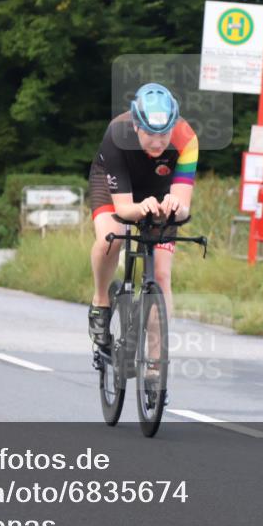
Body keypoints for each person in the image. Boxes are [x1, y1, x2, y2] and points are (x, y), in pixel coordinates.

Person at [87, 83, 198, 350]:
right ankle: (100, 300)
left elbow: (184, 208)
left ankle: (156, 364)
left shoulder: (187, 139)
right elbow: (124, 210)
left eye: (164, 133)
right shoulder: (117, 133)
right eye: (150, 133)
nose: (158, 142)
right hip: (114, 185)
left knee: (161, 274)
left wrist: (175, 206)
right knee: (111, 238)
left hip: (158, 189)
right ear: (136, 126)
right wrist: (140, 208)